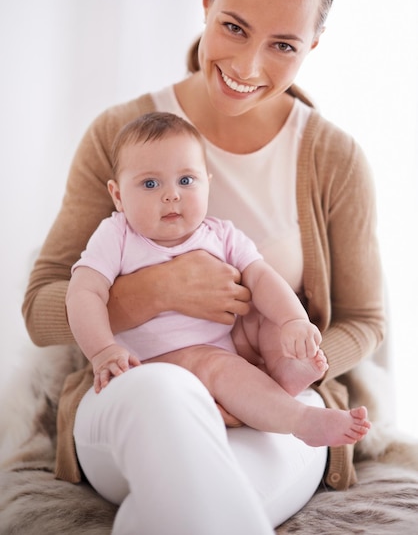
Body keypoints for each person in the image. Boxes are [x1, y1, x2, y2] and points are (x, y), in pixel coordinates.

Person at [22, 0, 385, 534]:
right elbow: (40, 309)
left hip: (273, 407)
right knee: (168, 403)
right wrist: (157, 293)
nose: (247, 63)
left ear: (312, 47)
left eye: (283, 45)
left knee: (199, 502)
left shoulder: (333, 158)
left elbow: (366, 322)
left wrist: (280, 364)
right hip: (136, 392)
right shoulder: (120, 133)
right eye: (234, 28)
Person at [66, 111, 371, 448]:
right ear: (118, 195)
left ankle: (284, 367)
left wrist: (293, 321)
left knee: (264, 315)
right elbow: (83, 293)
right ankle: (301, 420)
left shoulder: (221, 234)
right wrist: (102, 351)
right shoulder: (116, 236)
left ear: (207, 182)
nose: (171, 195)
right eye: (150, 184)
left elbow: (262, 276)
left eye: (185, 180)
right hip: (158, 361)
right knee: (215, 364)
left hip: (227, 344)